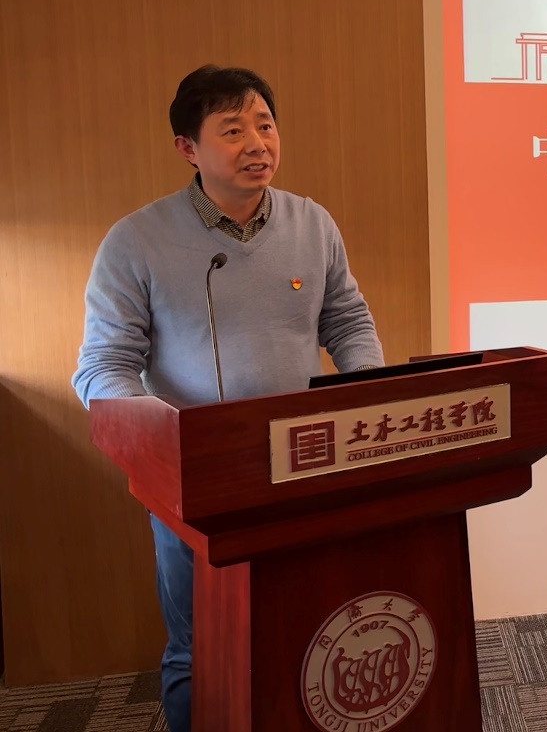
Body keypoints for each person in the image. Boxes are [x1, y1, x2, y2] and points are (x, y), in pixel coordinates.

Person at [71, 65, 384, 732]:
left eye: (265, 126)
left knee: (309, 631)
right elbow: (103, 368)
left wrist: (367, 395)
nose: (257, 144)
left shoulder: (312, 223)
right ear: (188, 148)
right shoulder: (136, 241)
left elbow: (347, 322)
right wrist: (160, 444)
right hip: (194, 482)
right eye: (234, 130)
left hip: (303, 466)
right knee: (200, 649)